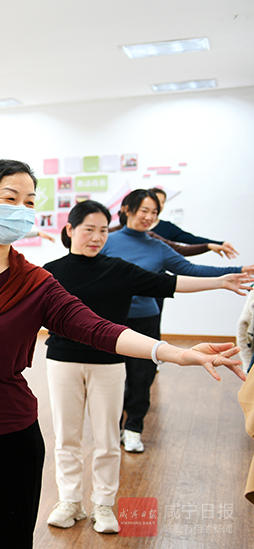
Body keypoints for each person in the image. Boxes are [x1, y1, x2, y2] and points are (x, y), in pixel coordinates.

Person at [0, 159, 246, 548]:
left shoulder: (36, 283)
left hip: (8, 434)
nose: (22, 209)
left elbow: (98, 329)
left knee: (6, 538)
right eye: (11, 198)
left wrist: (174, 353)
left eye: (30, 202)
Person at [43, 200, 251, 534]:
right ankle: (69, 501)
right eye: (88, 230)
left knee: (108, 439)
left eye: (101, 231)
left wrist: (220, 281)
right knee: (66, 438)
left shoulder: (119, 269)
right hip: (62, 361)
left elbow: (170, 283)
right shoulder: (51, 272)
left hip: (109, 363)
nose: (96, 237)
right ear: (70, 231)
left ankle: (104, 505)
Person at [102, 189, 253, 453]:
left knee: (141, 377)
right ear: (126, 209)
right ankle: (113, 429)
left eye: (154, 213)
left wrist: (235, 271)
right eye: (144, 211)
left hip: (145, 318)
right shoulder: (106, 241)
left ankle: (134, 428)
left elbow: (190, 270)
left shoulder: (157, 246)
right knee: (112, 377)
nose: (149, 217)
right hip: (111, 319)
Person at [149, 187, 239, 259]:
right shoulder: (137, 229)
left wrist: (220, 244)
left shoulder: (167, 227)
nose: (160, 205)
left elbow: (190, 241)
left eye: (163, 202)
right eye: (157, 200)